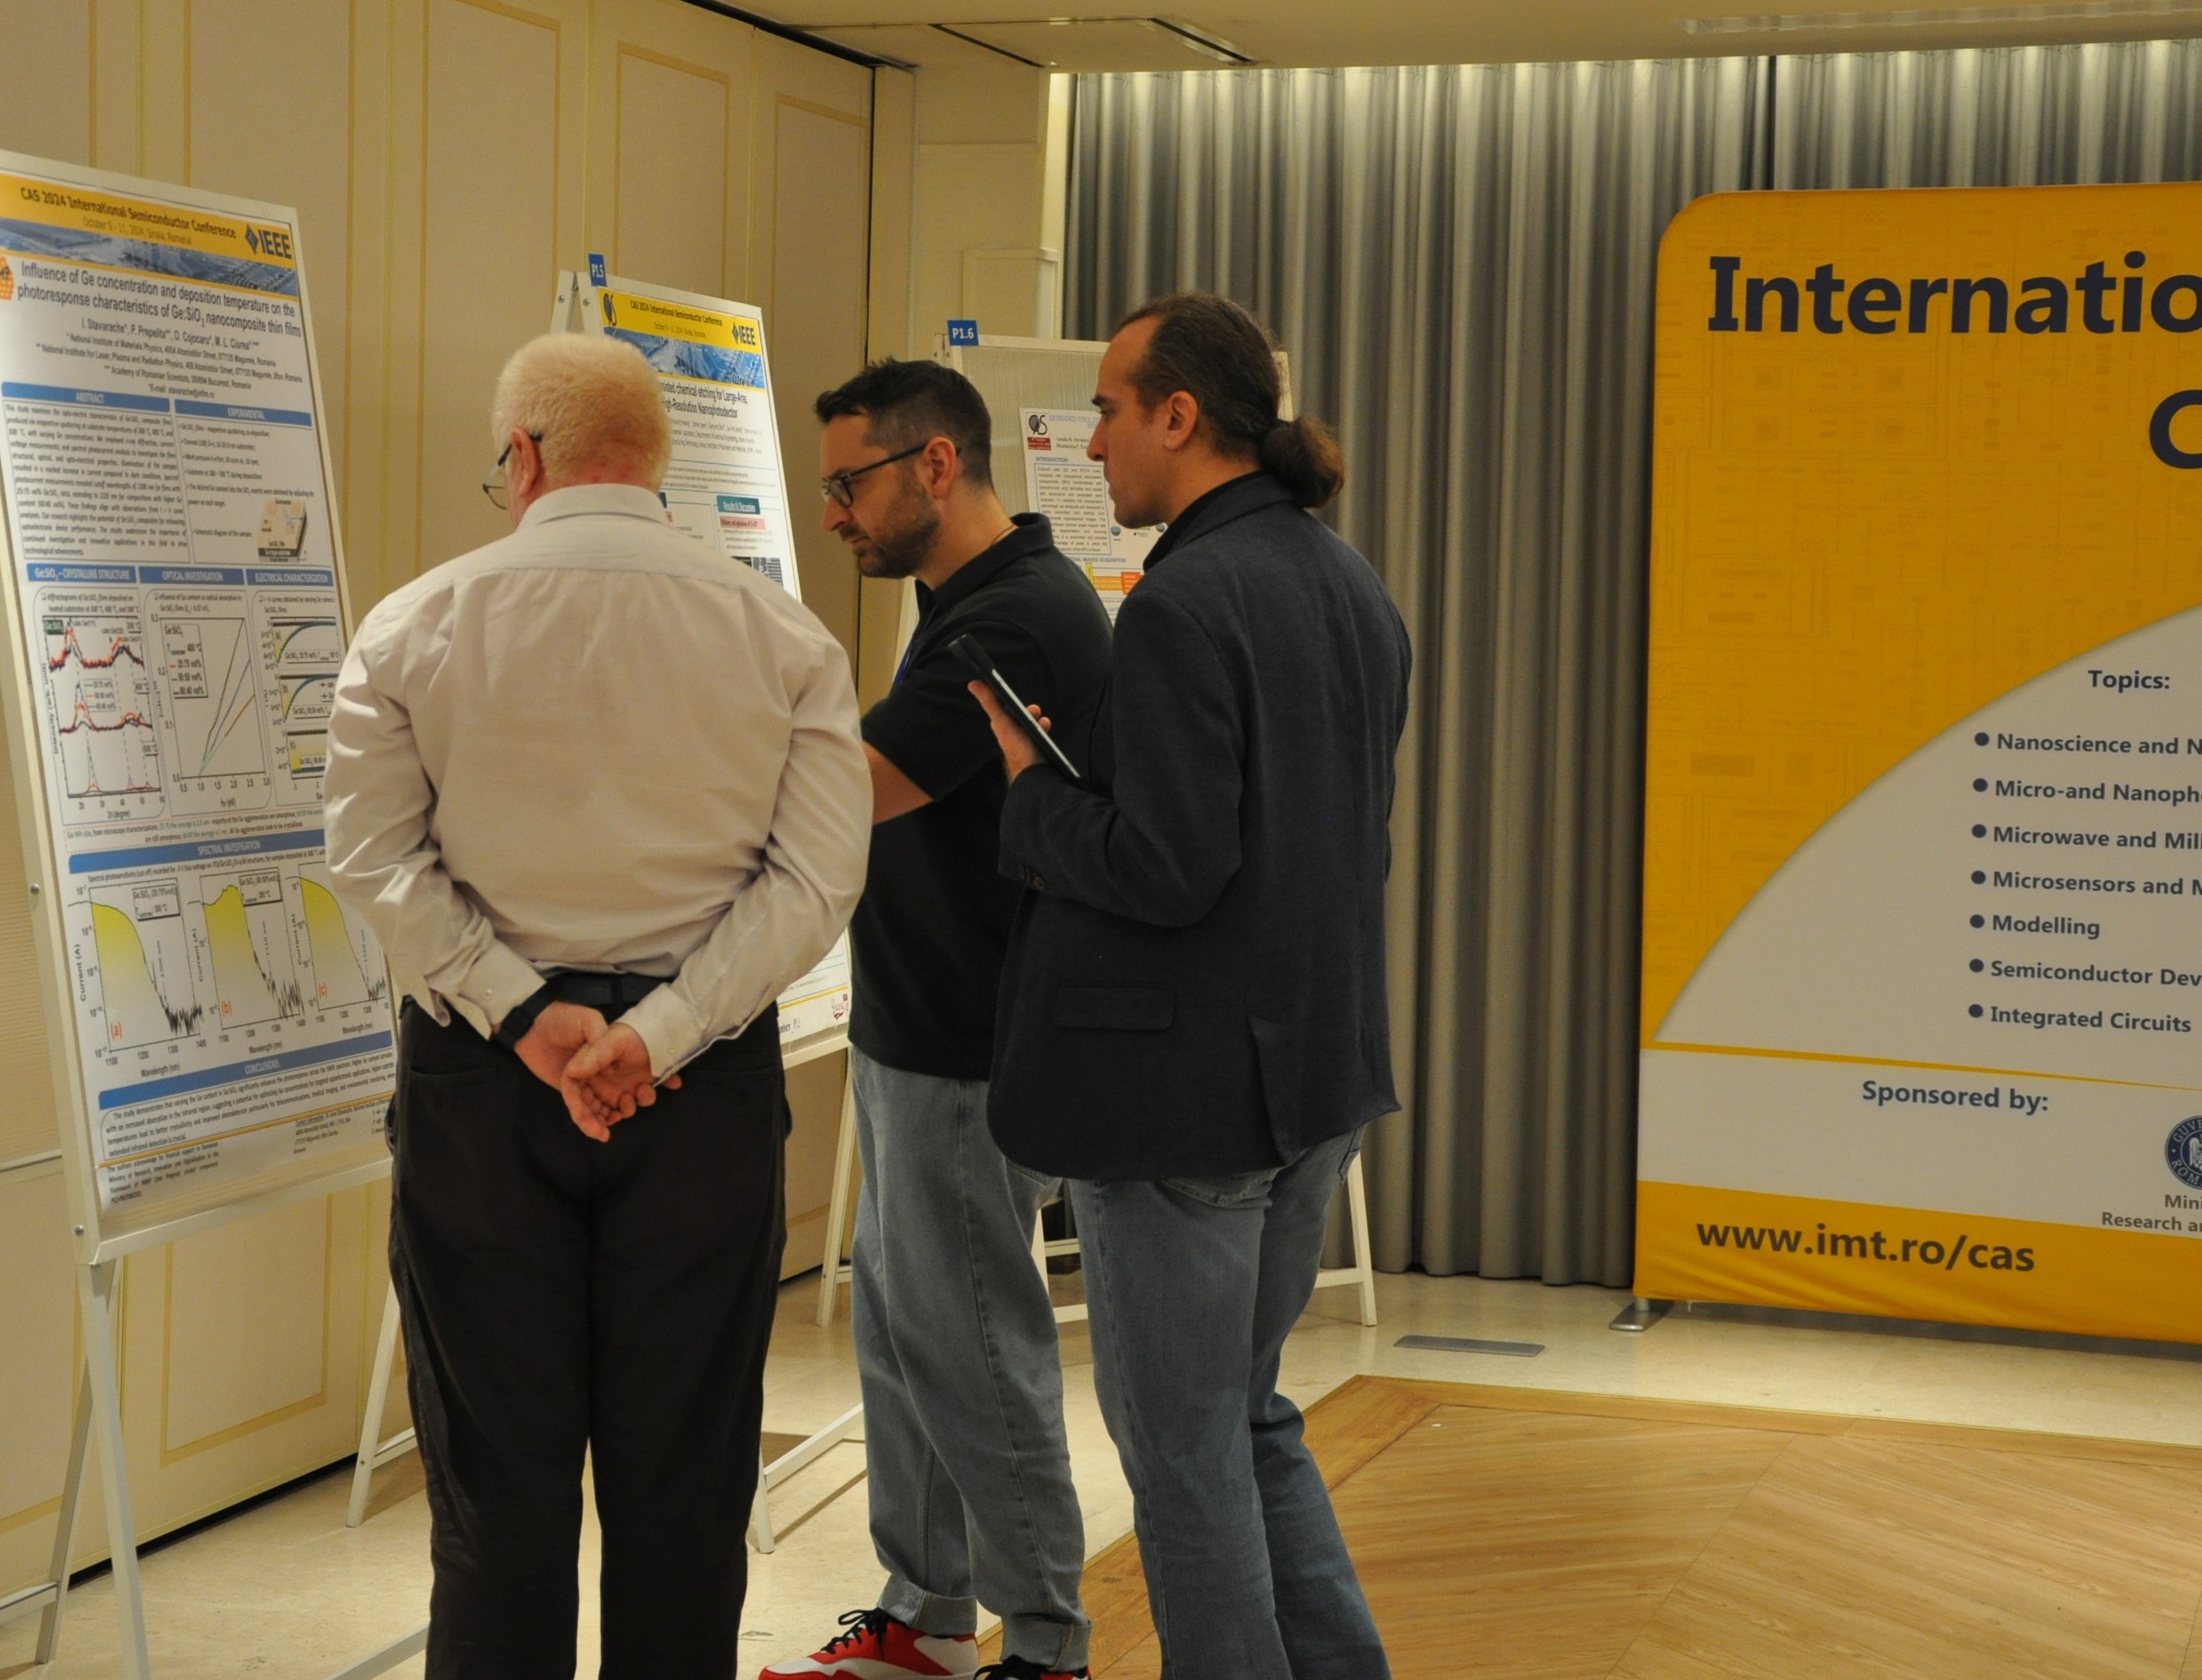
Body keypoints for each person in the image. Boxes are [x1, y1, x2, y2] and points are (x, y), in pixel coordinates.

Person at [323, 331, 869, 1679]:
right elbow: (817, 879)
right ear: (659, 459)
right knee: (684, 1482)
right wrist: (657, 1033)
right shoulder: (783, 635)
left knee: (494, 1488)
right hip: (702, 1090)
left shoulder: (413, 624)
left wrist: (525, 1018)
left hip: (479, 1087)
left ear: (522, 456)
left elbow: (372, 858)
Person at [970, 294, 1410, 1679]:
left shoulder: (1182, 603)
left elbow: (1166, 866)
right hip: (1313, 1078)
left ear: (1180, 416)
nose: (1091, 441)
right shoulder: (1350, 583)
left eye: (1108, 410)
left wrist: (1032, 792)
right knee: (1245, 1417)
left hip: (1184, 1110)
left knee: (1181, 1449)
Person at [764, 360, 1109, 1680]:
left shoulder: (1017, 613)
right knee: (908, 1334)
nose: (833, 514)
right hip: (915, 1030)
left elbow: (859, 785)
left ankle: (1046, 1645)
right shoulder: (963, 600)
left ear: (936, 465)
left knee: (971, 1346)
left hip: (973, 1041)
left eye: (849, 484)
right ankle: (926, 1617)